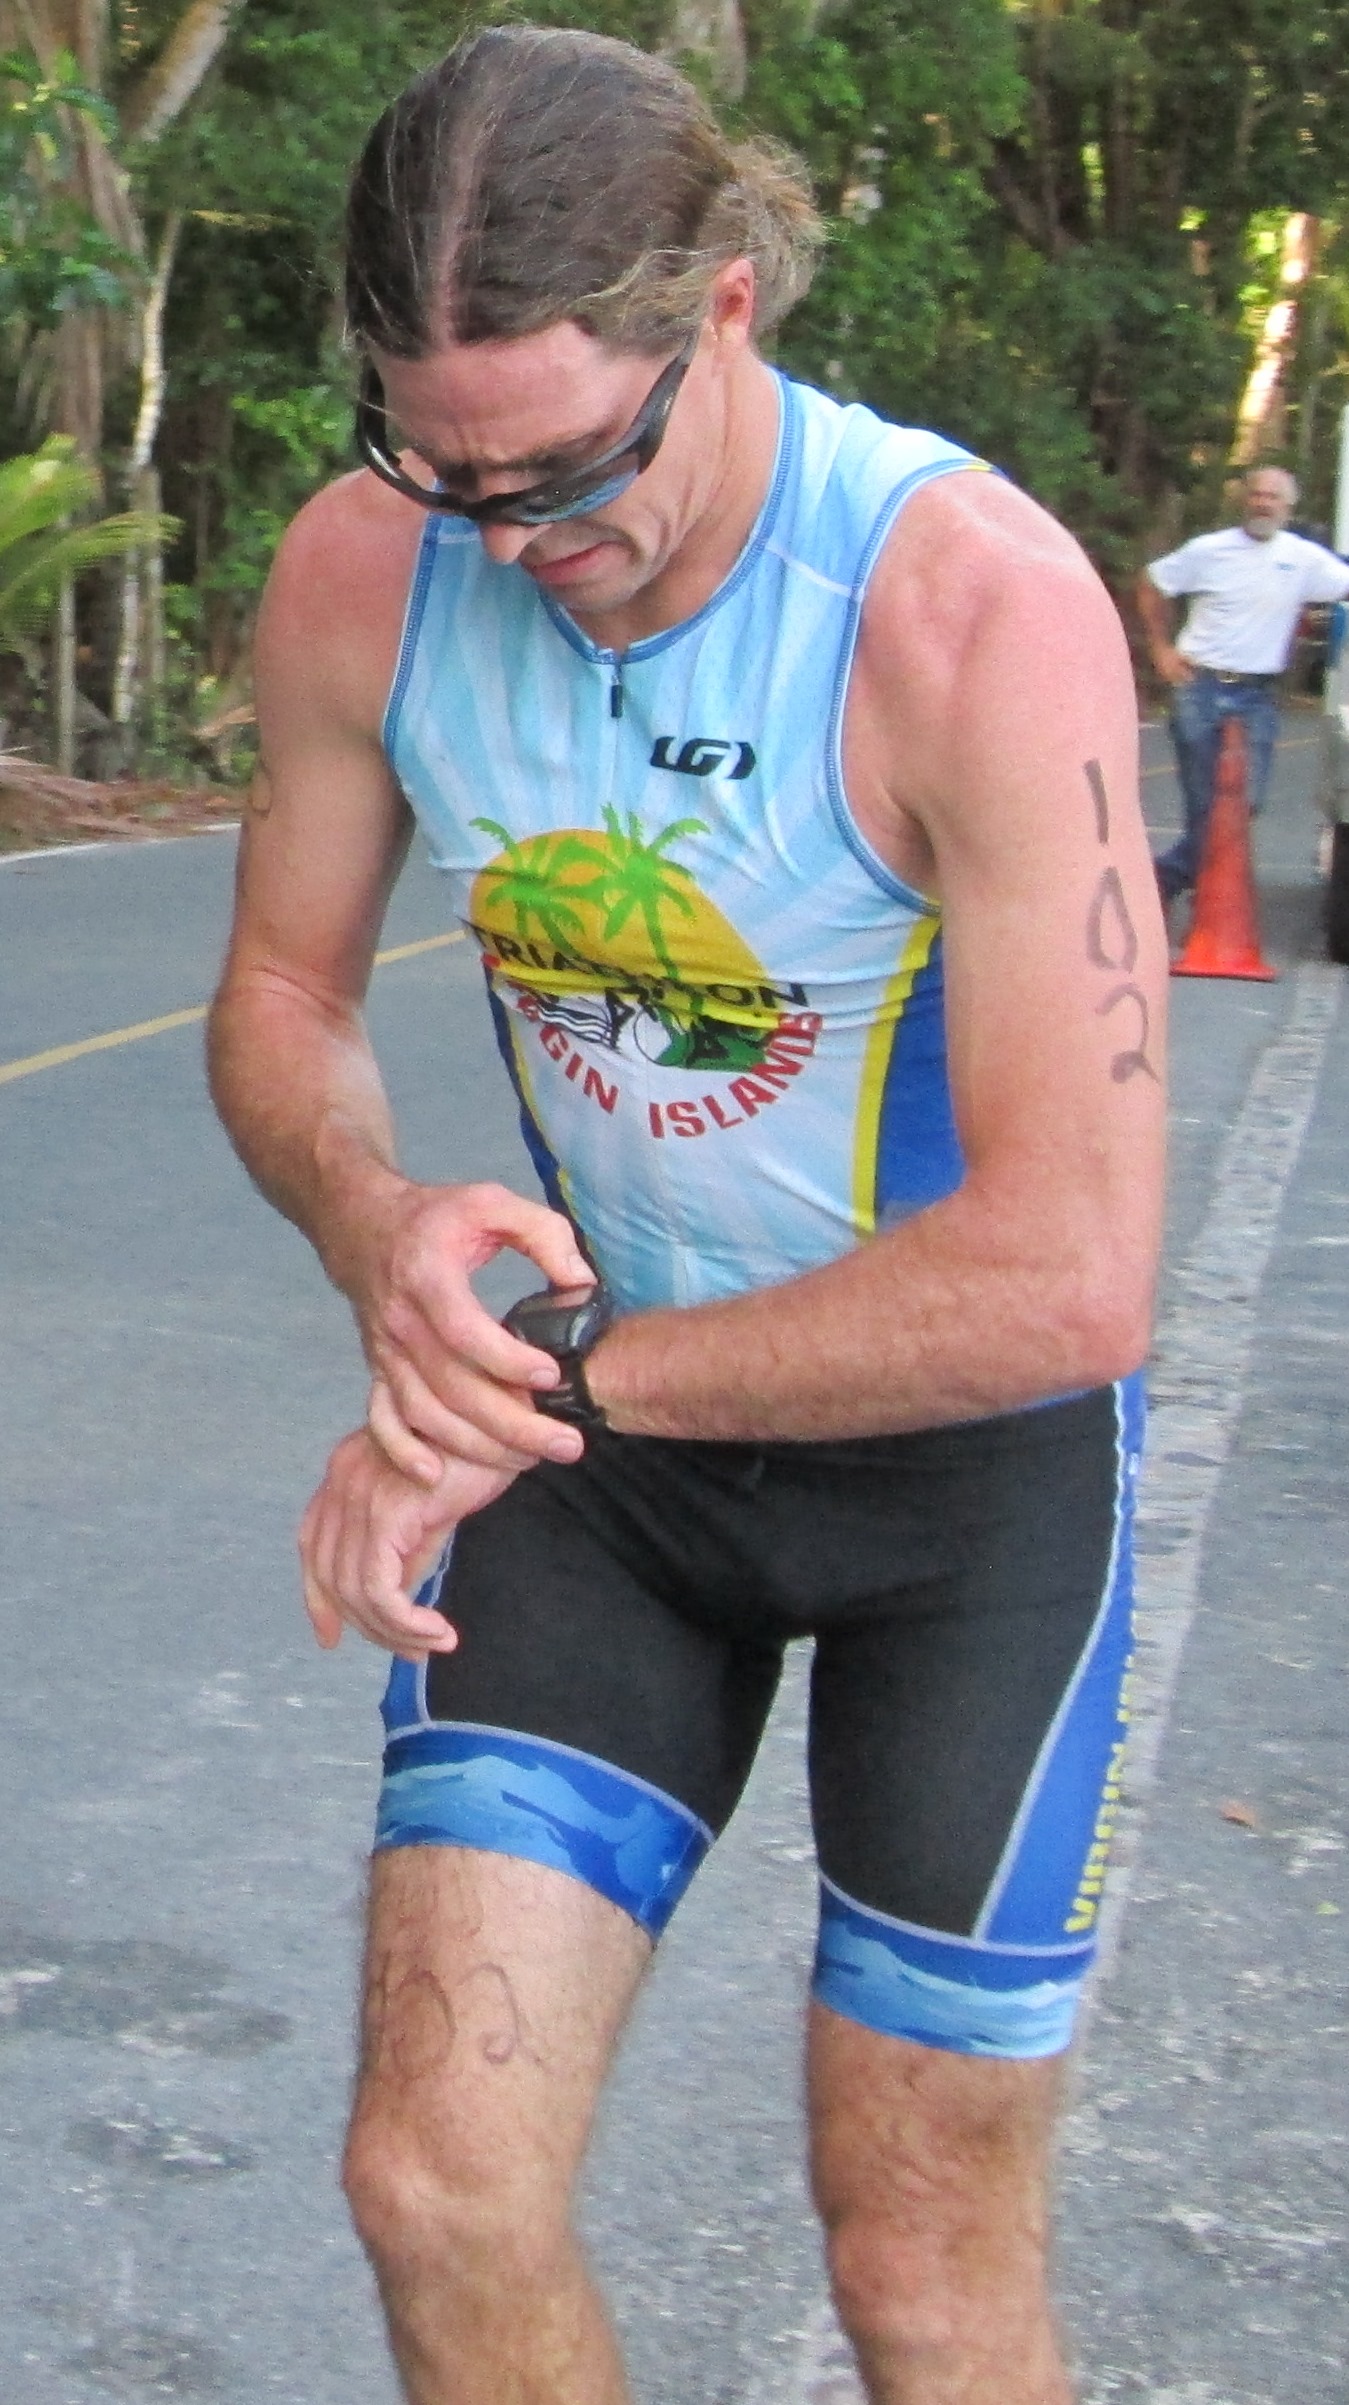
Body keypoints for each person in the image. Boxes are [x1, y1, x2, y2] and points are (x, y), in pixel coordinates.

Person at [206, 27, 1167, 2405]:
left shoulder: (961, 607)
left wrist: (536, 1382)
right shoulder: (373, 569)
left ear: (719, 307)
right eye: (447, 471)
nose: (521, 540)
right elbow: (280, 989)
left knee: (920, 2269)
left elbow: (1066, 1265)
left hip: (960, 1487)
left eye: (572, 469)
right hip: (598, 1474)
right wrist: (377, 1230)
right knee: (435, 2186)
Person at [1139, 465, 1349, 903]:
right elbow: (1152, 583)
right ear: (1244, 500)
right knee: (1205, 808)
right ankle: (1171, 893)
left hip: (1257, 696)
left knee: (1244, 804)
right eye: (1256, 494)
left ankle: (1160, 881)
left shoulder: (1304, 559)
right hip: (1200, 687)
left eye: (1273, 497)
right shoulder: (1209, 550)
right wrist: (1161, 648)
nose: (1263, 503)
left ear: (1289, 507)